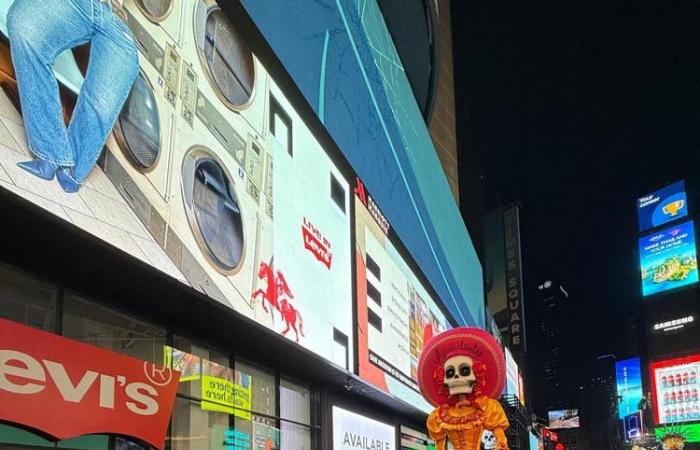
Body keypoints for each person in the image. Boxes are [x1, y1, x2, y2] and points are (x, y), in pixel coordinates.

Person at [7, 0, 138, 193]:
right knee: (24, 23)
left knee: (103, 100)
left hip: (121, 22)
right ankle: (49, 153)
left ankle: (73, 169)